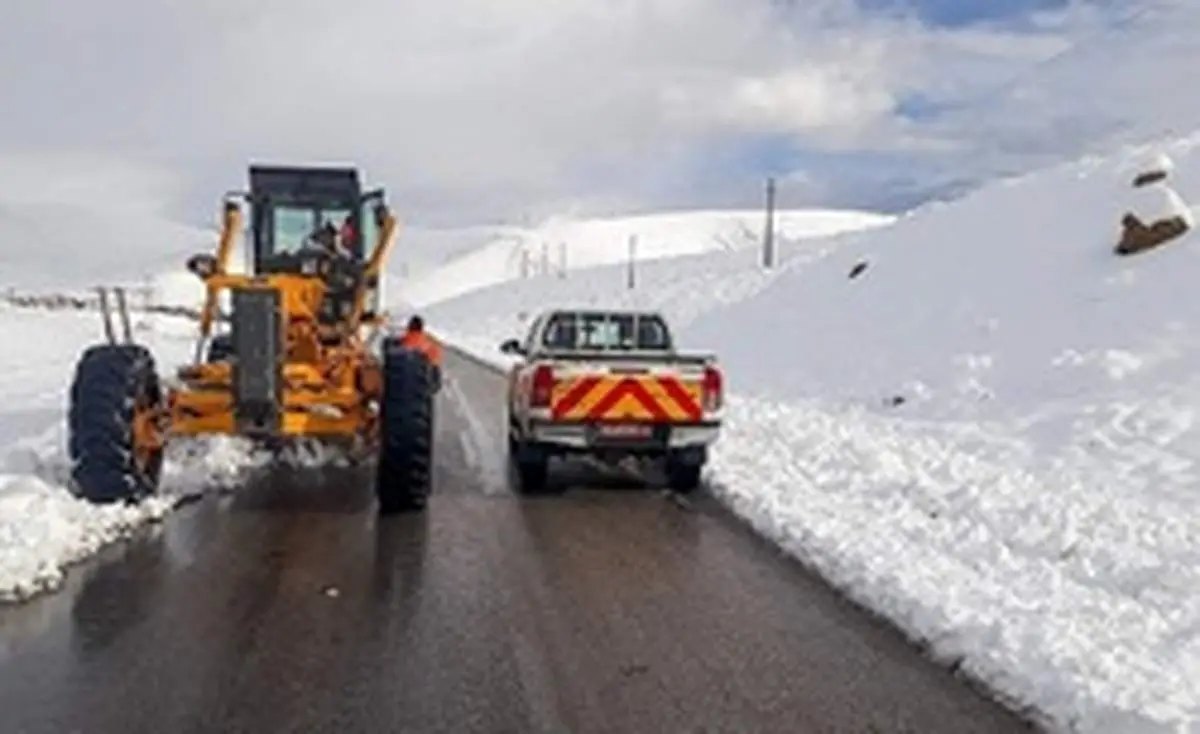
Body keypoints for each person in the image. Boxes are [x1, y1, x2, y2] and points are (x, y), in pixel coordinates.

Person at [394, 315, 444, 390]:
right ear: (421, 328)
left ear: (409, 328)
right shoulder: (432, 344)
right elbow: (436, 371)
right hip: (422, 390)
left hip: (401, 388)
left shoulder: (400, 342)